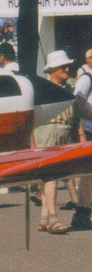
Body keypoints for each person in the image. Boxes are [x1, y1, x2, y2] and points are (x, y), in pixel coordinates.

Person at [33, 51, 78, 233]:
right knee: (51, 177)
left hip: (64, 130)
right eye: (63, 67)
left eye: (68, 66)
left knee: (53, 178)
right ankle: (52, 217)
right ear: (52, 69)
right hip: (48, 130)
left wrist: (78, 136)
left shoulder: (68, 87)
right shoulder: (43, 88)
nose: (67, 69)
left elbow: (74, 114)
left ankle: (44, 218)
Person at [70, 47, 92, 230]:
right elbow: (77, 103)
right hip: (89, 130)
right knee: (89, 176)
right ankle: (82, 213)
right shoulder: (87, 79)